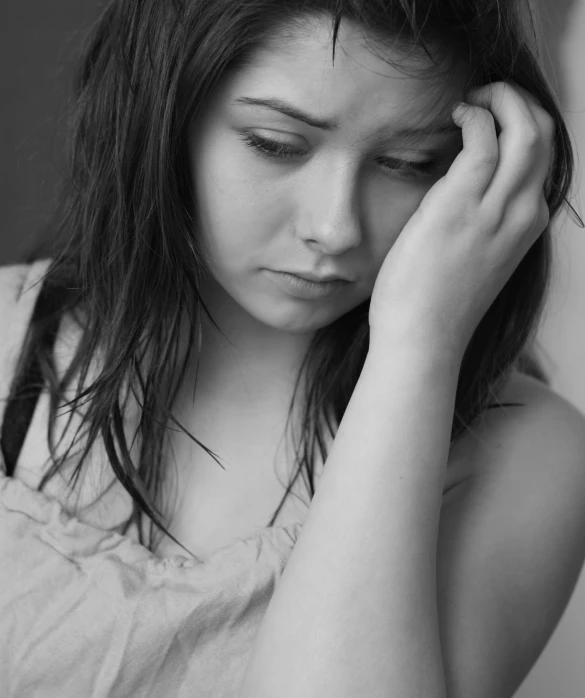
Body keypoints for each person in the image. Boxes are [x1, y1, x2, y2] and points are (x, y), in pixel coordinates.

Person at [2, 0, 585, 696]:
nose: (335, 226)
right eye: (276, 144)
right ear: (163, 113)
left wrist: (417, 345)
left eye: (406, 161)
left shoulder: (522, 453)